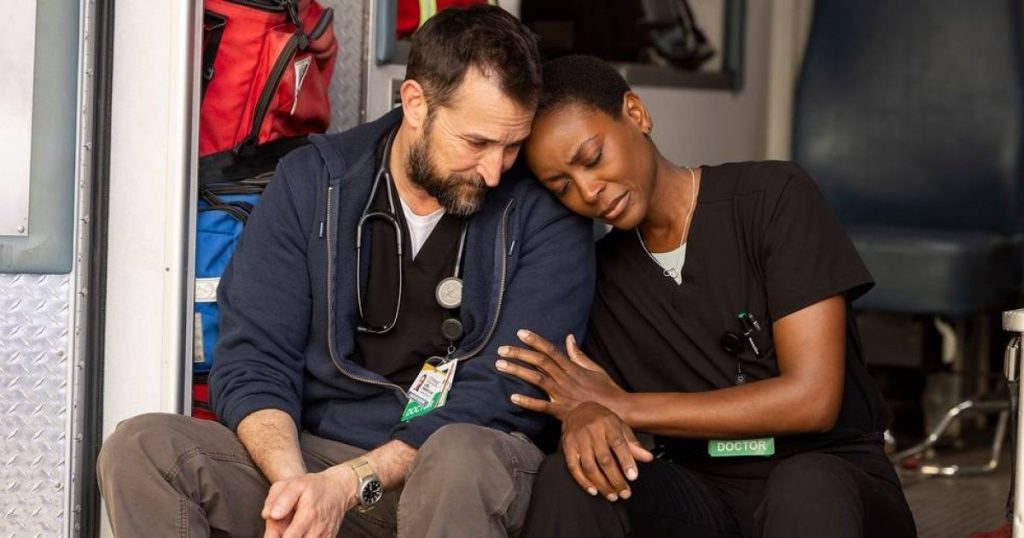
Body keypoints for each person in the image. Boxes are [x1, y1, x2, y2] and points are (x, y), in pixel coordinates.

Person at [96, 8, 595, 538]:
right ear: (415, 104)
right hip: (322, 461)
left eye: (512, 147)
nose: (495, 171)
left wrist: (352, 484)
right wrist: (296, 490)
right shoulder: (313, 181)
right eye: (477, 143)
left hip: (461, 469)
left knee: (458, 456)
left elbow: (502, 395)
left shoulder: (546, 212)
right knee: (144, 449)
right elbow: (256, 358)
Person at [494, 55, 916, 538]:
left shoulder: (774, 198)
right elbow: (586, 397)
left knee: (806, 485)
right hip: (707, 492)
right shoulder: (599, 275)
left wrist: (623, 406)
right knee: (575, 478)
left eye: (592, 159)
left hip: (833, 484)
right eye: (562, 186)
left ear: (636, 113)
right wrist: (584, 414)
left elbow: (812, 400)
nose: (588, 190)